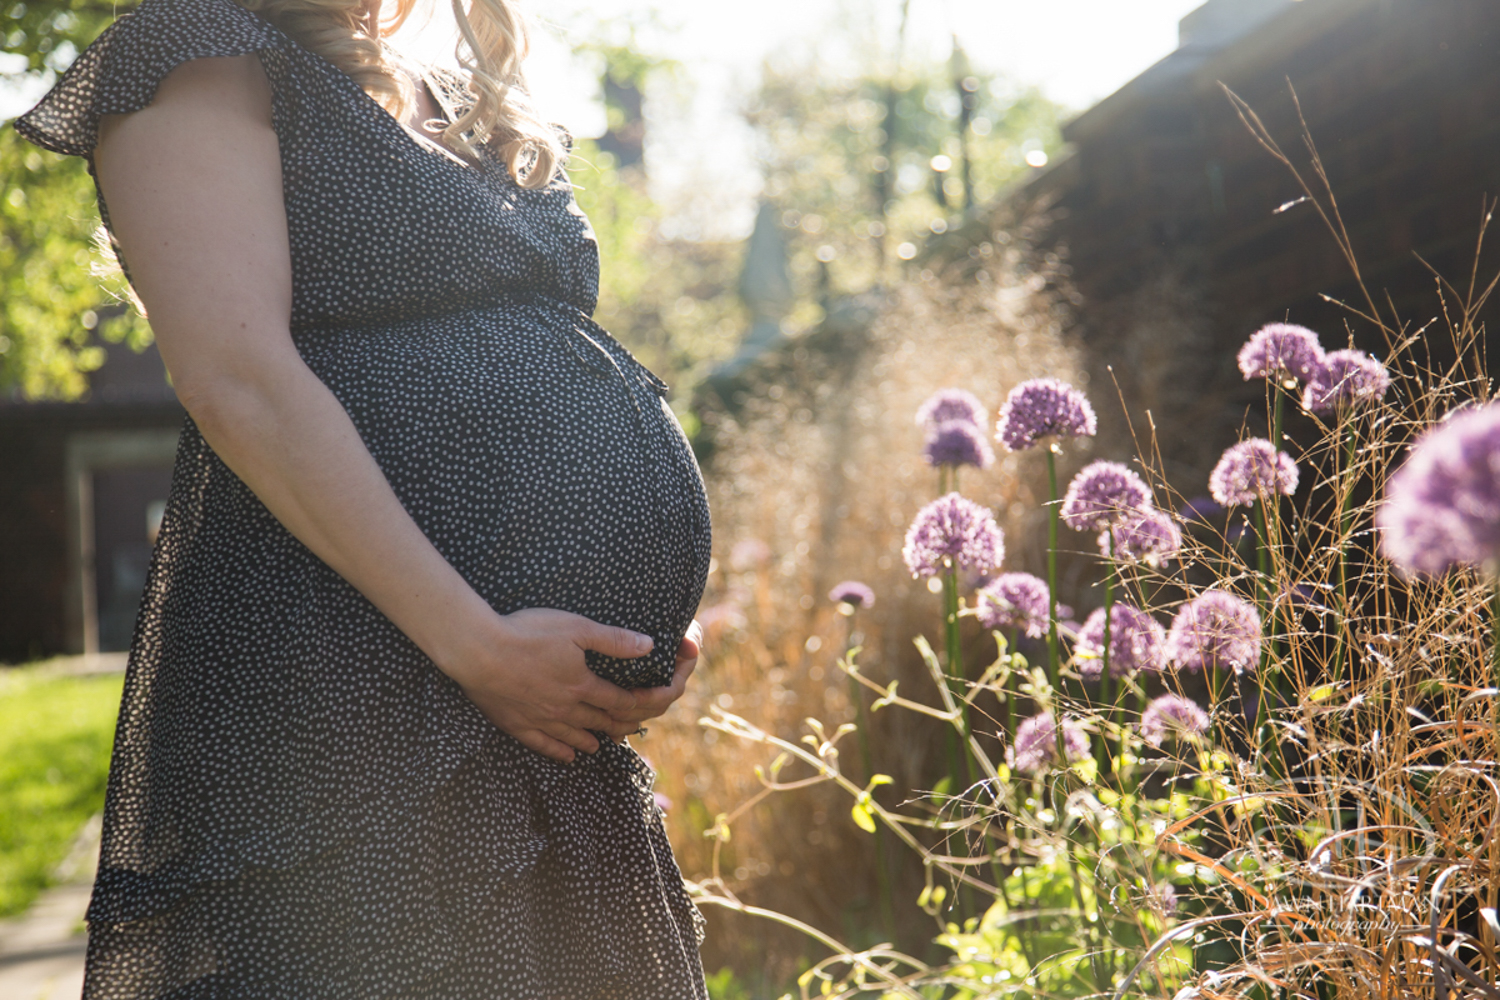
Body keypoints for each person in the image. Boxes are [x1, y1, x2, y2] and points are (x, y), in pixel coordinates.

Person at [15, 0, 713, 995]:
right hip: (360, 688)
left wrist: (632, 628)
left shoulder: (435, 76)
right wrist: (472, 639)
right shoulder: (192, 52)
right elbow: (237, 379)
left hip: (528, 722)